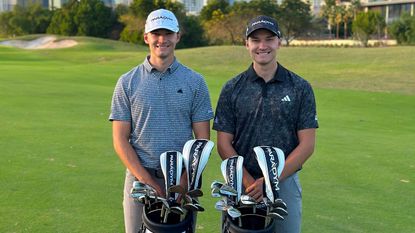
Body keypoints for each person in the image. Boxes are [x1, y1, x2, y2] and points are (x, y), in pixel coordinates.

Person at [109, 9, 214, 233]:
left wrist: (186, 180)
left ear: (178, 36)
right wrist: (147, 180)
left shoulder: (195, 82)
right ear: (146, 37)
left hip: (184, 177)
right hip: (139, 175)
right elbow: (120, 140)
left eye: (168, 33)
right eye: (156, 33)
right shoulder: (127, 82)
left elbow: (202, 140)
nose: (162, 39)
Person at [213, 15, 319, 233]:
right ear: (247, 44)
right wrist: (252, 183)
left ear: (279, 42)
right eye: (255, 40)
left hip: (284, 181)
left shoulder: (300, 87)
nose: (262, 46)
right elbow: (224, 144)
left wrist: (270, 181)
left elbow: (307, 145)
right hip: (241, 182)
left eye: (269, 39)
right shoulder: (232, 88)